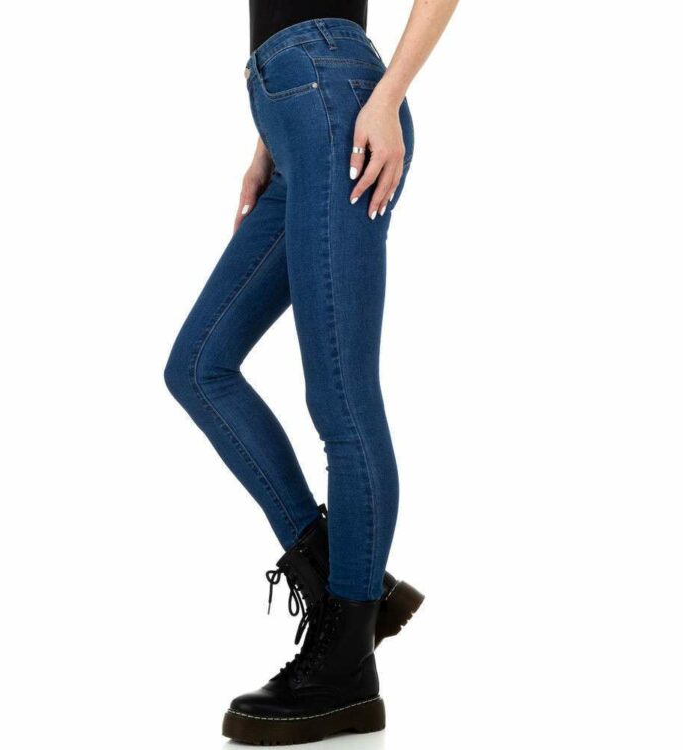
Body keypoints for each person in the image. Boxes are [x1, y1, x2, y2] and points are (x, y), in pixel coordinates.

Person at [164, 0, 459, 743]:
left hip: (339, 107)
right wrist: (268, 141)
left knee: (341, 396)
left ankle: (346, 666)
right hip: (297, 117)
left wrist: (389, 95)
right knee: (198, 365)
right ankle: (344, 576)